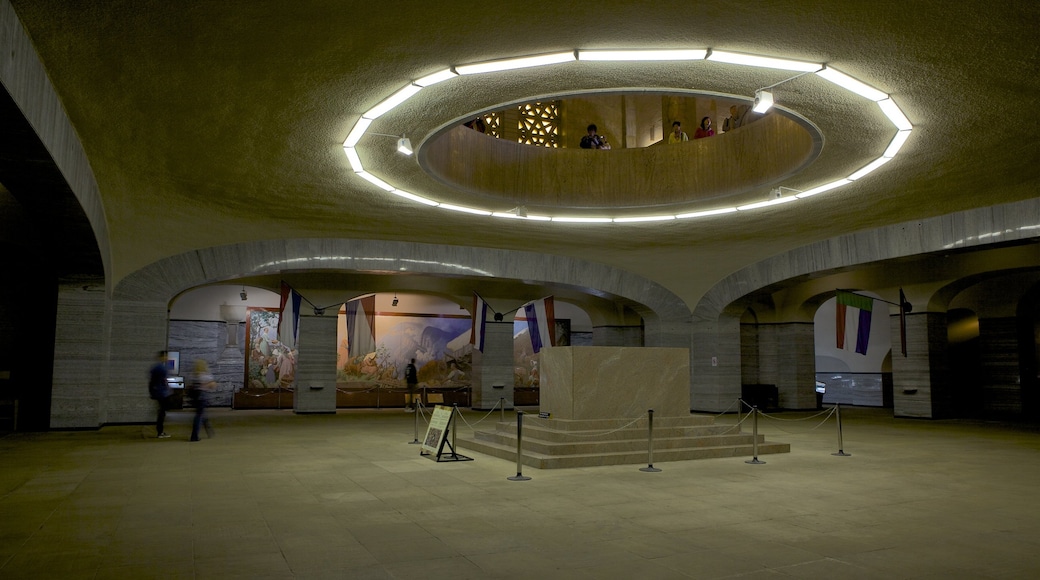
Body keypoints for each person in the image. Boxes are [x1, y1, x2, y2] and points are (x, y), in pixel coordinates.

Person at [188, 359, 217, 441]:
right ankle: (194, 436)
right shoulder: (206, 375)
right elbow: (213, 386)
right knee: (199, 415)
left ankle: (209, 430)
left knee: (201, 413)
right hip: (202, 397)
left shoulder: (192, 375)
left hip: (195, 398)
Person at [147, 350, 173, 438]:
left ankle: (160, 431)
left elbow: (151, 381)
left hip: (158, 392)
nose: (167, 358)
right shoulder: (161, 368)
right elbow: (164, 381)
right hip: (162, 393)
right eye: (166, 356)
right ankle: (160, 432)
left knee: (162, 411)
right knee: (162, 411)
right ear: (162, 357)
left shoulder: (155, 367)